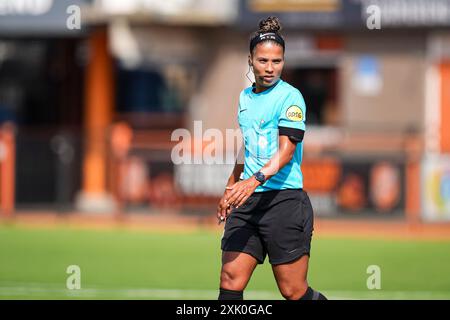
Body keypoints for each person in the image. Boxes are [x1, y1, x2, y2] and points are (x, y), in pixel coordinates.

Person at [216, 16, 327, 301]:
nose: (269, 67)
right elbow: (247, 146)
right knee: (230, 278)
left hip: (284, 200)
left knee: (292, 290)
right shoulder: (244, 98)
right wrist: (231, 186)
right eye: (263, 60)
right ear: (250, 60)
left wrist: (252, 182)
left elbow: (286, 152)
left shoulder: (290, 98)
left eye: (276, 61)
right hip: (247, 201)